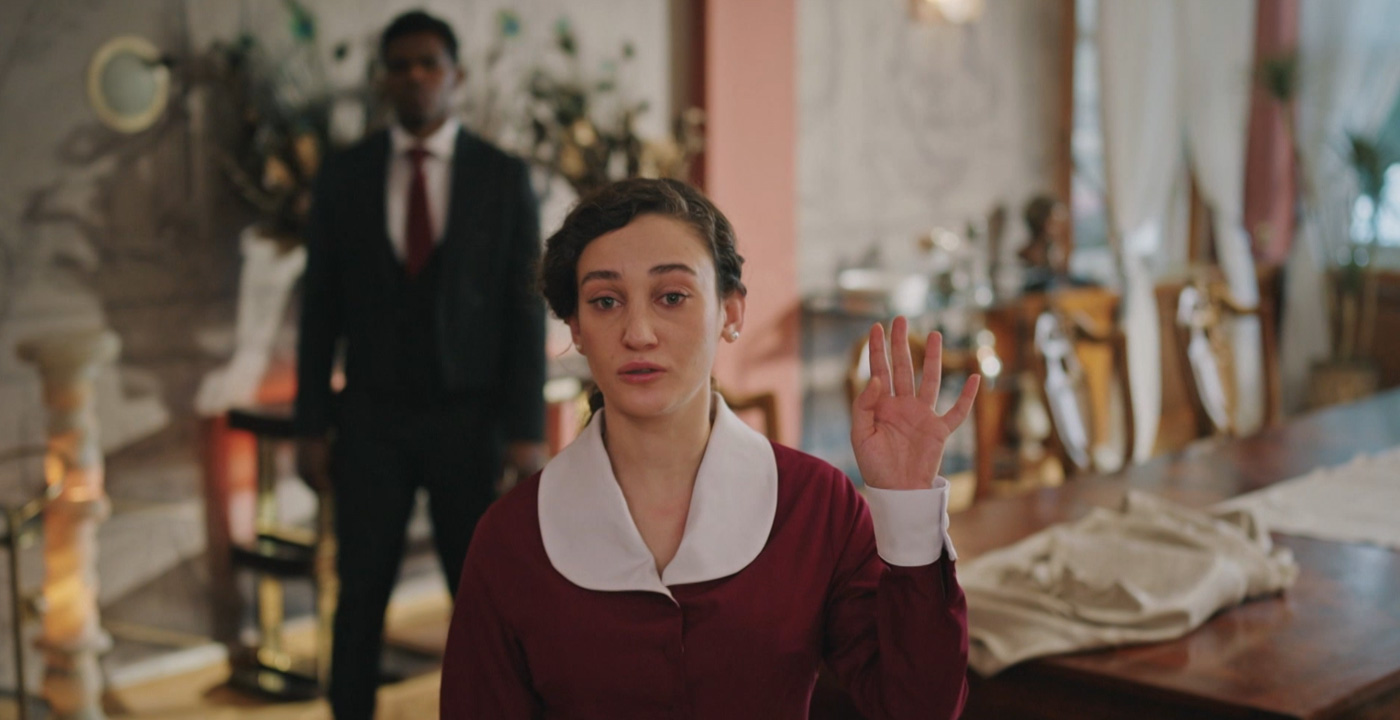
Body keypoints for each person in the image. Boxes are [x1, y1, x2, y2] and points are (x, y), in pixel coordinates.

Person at [440, 179, 979, 719]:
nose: (638, 333)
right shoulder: (512, 539)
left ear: (731, 312)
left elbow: (919, 709)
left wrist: (909, 508)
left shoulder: (816, 506)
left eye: (672, 297)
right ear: (576, 329)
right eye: (606, 301)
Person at [293, 10, 547, 719]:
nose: (414, 76)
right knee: (360, 592)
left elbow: (524, 309)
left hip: (469, 418)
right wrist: (310, 424)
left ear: (455, 75)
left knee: (481, 593)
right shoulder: (345, 174)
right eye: (399, 65)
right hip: (370, 418)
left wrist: (527, 431)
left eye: (428, 63)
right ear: (383, 80)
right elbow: (318, 309)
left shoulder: (502, 176)